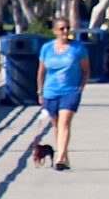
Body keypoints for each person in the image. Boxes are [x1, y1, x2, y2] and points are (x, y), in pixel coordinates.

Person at [36, 15, 90, 171]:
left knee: (64, 122)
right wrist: (40, 91)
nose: (65, 31)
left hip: (70, 91)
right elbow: (41, 72)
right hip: (50, 91)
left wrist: (80, 88)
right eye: (62, 29)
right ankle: (65, 156)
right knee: (56, 125)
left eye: (67, 28)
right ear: (55, 31)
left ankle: (60, 158)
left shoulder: (78, 48)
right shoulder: (46, 48)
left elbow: (86, 71)